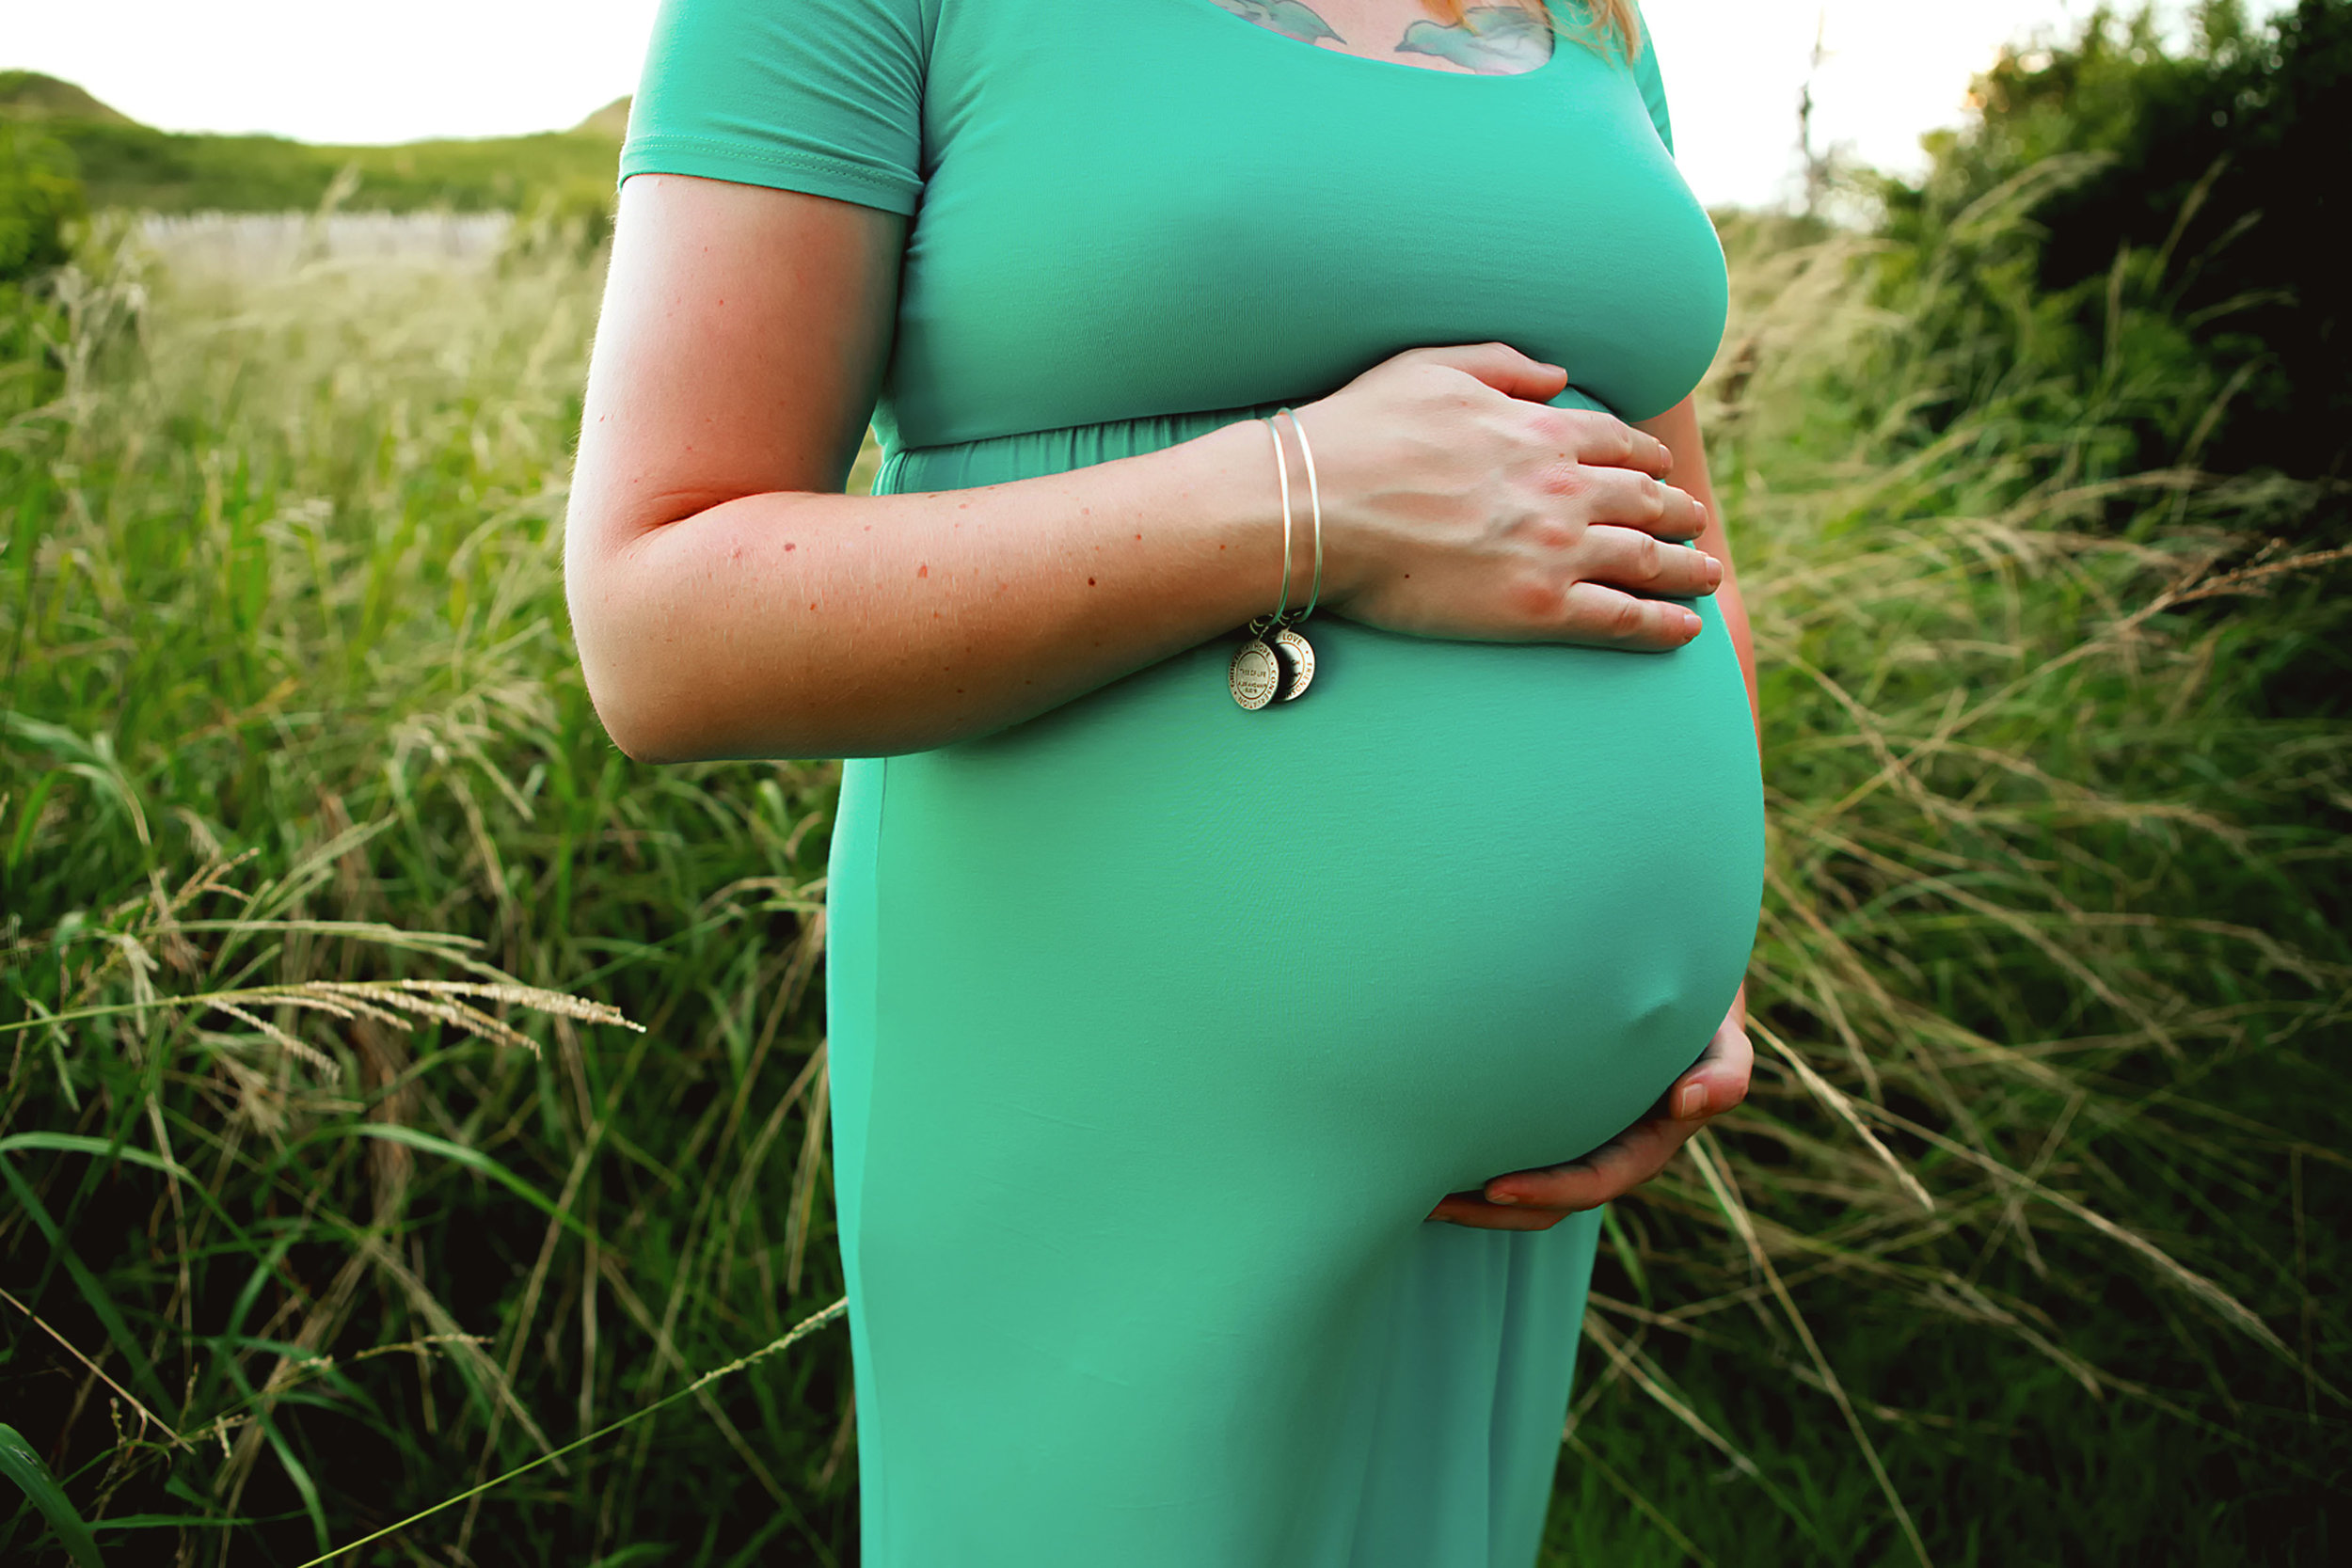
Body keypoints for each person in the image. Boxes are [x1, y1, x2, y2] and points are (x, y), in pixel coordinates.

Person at [564, 1, 1766, 1561]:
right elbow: (661, 626)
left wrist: (1695, 963)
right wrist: (1304, 497)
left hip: (1529, 1170)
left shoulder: (1587, 19)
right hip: (1105, 1076)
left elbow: (1671, 520)